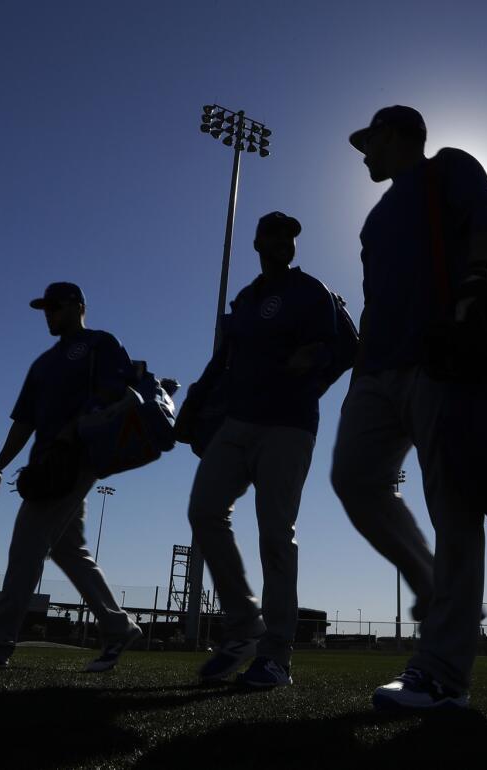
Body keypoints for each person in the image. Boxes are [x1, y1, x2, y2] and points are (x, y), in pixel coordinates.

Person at [331, 105, 487, 710]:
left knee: (453, 507)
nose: (363, 153)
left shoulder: (447, 167)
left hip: (440, 358)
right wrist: (360, 366)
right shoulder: (375, 216)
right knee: (354, 478)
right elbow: (376, 296)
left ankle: (443, 673)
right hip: (375, 371)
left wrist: (476, 279)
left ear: (398, 134)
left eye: (370, 140)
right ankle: (431, 584)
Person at [0, 282, 142, 672]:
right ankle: (118, 626)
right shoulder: (43, 363)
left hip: (79, 458)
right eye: (45, 308)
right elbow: (24, 422)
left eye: (57, 306)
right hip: (48, 465)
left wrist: (79, 426)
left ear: (79, 306)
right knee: (68, 550)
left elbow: (119, 390)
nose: (49, 314)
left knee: (26, 548)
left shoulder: (100, 342)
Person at [191, 212, 350, 688]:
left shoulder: (311, 291)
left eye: (291, 236)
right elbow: (223, 361)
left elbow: (339, 347)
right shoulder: (244, 299)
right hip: (238, 422)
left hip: (289, 424)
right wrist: (194, 406)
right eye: (275, 234)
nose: (284, 241)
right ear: (259, 242)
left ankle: (276, 655)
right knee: (204, 511)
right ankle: (243, 624)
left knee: (275, 533)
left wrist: (312, 363)